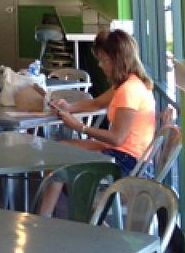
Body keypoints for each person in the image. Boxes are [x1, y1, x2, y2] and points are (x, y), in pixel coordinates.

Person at [38, 29, 156, 216]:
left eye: (104, 60)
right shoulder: (127, 83)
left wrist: (79, 127)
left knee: (58, 157)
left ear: (118, 60)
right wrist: (69, 107)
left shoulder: (129, 90)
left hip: (126, 163)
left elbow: (117, 138)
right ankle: (79, 213)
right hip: (128, 156)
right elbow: (96, 103)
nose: (100, 65)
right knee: (59, 151)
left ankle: (51, 216)